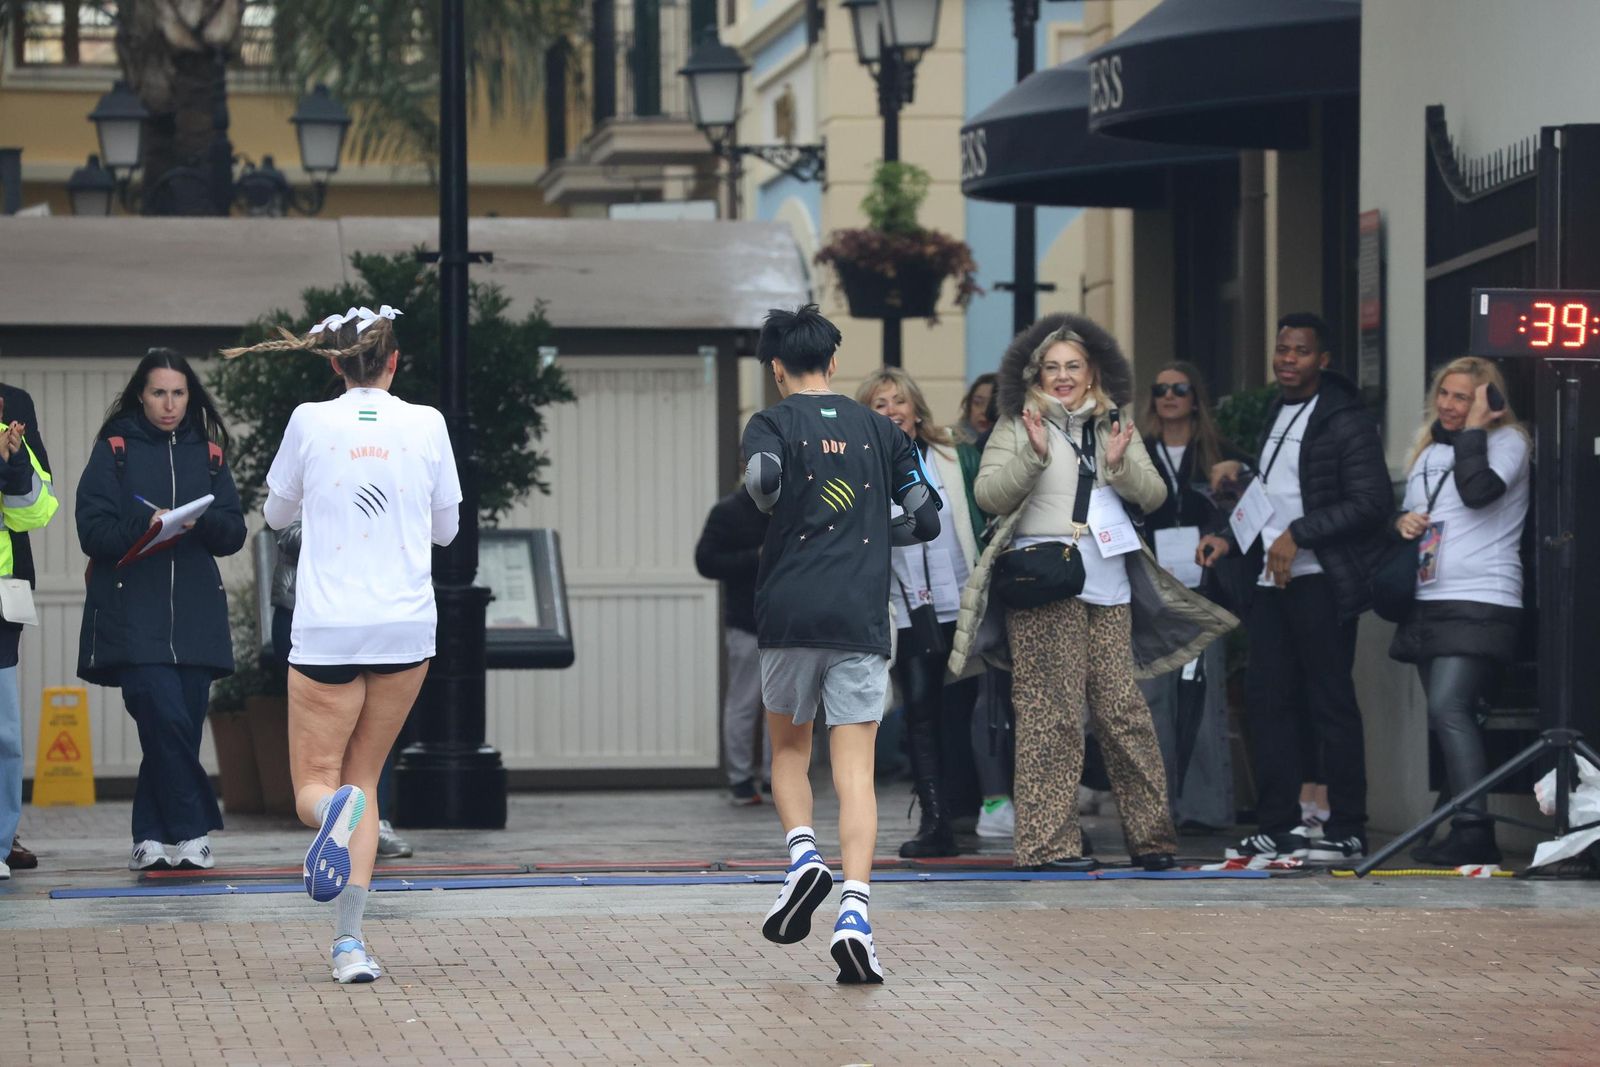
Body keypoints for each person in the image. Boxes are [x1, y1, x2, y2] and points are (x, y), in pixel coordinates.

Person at [227, 304, 462, 984]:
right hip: (404, 628)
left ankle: (332, 815)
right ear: (393, 362)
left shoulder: (309, 419)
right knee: (365, 775)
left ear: (334, 363)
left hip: (328, 626)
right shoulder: (428, 424)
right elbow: (446, 529)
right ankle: (349, 944)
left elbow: (273, 514)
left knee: (316, 783)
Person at [954, 314, 1233, 873]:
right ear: (1037, 373)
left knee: (1124, 711)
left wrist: (1119, 466)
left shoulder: (1114, 423)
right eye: (1051, 367)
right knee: (1049, 712)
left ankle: (1152, 839)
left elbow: (1151, 496)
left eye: (1072, 367)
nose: (1062, 376)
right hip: (1042, 580)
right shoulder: (1017, 421)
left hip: (1109, 582)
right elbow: (987, 496)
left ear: (1092, 373)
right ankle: (1045, 845)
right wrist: (1032, 456)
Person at [745, 304, 941, 984]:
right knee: (854, 769)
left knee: (790, 752)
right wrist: (881, 524)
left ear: (777, 368)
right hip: (860, 614)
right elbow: (927, 516)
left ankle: (803, 859)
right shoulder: (878, 429)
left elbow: (763, 483)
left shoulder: (770, 422)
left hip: (791, 611)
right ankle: (854, 911)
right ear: (832, 362)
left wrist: (783, 504)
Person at [1198, 312, 1391, 865]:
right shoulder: (1279, 413)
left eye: (1300, 351)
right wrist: (1227, 538)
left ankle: (1348, 826)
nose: (1288, 360)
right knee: (1268, 703)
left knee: (1329, 702)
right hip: (1271, 581)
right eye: (1282, 350)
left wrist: (1298, 535)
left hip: (1321, 581)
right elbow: (1269, 495)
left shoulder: (1345, 421)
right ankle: (1278, 825)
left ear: (1322, 360)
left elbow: (1372, 502)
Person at [75, 349, 248, 872]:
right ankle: (194, 830)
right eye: (158, 393)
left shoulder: (210, 454)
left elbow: (234, 533)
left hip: (196, 618)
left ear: (188, 396)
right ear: (140, 395)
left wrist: (199, 521)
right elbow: (92, 531)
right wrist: (146, 525)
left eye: (178, 393)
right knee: (163, 716)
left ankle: (149, 837)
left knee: (175, 728)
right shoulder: (115, 450)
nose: (169, 404)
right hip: (134, 616)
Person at [1389, 357, 1529, 866]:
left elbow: (1478, 494)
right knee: (1452, 715)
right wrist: (1401, 521)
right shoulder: (1428, 447)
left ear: (1488, 402)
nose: (1450, 405)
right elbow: (1425, 513)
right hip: (1430, 597)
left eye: (1463, 397)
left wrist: (1475, 430)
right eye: (1445, 394)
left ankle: (1474, 830)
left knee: (1449, 707)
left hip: (1484, 597)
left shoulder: (1509, 443)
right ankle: (1467, 825)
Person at [857, 367, 982, 857]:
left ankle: (975, 804)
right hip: (903, 608)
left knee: (966, 710)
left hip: (962, 600)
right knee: (922, 715)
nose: (891, 411)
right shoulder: (861, 467)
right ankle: (936, 821)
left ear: (917, 408)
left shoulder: (951, 457)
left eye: (898, 401)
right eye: (879, 404)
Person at [1138, 362, 1250, 832]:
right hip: (1152, 591)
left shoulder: (1220, 454)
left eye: (1179, 388)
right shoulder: (1139, 456)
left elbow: (1248, 516)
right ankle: (1153, 812)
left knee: (1206, 701)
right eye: (1160, 389)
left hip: (1206, 590)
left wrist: (1223, 524)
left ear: (1195, 397)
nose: (1169, 396)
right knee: (1152, 701)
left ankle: (1204, 810)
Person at [273, 530, 413, 861]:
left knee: (366, 743)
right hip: (315, 605)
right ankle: (339, 814)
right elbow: (283, 527)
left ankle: (343, 814)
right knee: (333, 750)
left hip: (372, 608)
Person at [0, 411, 57, 880]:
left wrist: (12, 461)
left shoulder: (9, 442)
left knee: (5, 736)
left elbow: (38, 510)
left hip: (1, 605)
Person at [694, 486, 772, 805]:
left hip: (784, 623)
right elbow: (705, 561)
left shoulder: (788, 506)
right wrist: (754, 557)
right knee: (746, 701)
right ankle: (742, 778)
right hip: (747, 621)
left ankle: (774, 776)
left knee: (782, 706)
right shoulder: (728, 512)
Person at [954, 373, 997, 443]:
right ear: (968, 405)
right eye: (977, 403)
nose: (984, 411)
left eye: (992, 406)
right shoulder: (951, 441)